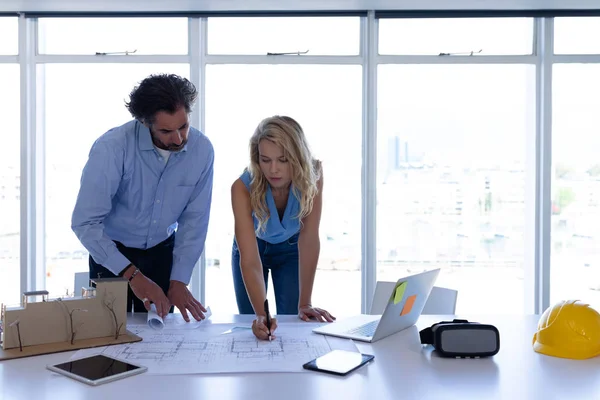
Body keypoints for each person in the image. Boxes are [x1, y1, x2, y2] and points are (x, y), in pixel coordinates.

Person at [71, 73, 214, 322]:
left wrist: (179, 279)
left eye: (184, 126)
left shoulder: (202, 150)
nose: (179, 139)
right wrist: (132, 275)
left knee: (161, 336)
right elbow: (85, 223)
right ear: (145, 123)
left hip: (162, 253)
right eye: (167, 131)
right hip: (112, 255)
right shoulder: (112, 148)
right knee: (110, 334)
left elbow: (194, 221)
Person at [231, 115, 335, 340]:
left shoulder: (313, 174)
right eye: (265, 160)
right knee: (258, 325)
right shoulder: (241, 187)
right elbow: (249, 259)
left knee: (293, 323)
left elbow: (308, 237)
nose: (273, 169)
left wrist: (305, 302)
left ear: (297, 158)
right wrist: (261, 314)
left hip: (290, 249)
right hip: (252, 248)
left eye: (283, 160)